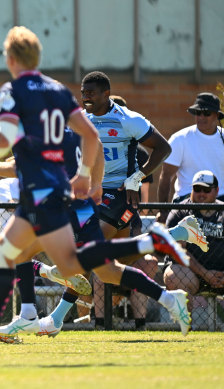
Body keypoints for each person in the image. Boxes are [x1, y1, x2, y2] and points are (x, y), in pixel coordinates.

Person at [0, 26, 191, 361]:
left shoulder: (12, 91)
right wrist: (91, 178)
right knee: (99, 269)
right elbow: (92, 138)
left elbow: (7, 133)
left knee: (13, 256)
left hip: (42, 195)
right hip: (57, 194)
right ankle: (167, 290)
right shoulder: (58, 91)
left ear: (11, 59)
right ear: (38, 57)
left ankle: (2, 329)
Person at [80, 71, 173, 329]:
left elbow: (163, 148)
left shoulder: (128, 120)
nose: (85, 97)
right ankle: (168, 292)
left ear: (106, 93)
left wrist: (137, 178)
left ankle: (56, 316)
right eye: (83, 92)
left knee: (89, 249)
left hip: (121, 193)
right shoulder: (82, 122)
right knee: (96, 260)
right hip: (93, 194)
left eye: (91, 92)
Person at [157, 93, 224, 222]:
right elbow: (165, 177)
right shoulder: (180, 139)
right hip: (186, 202)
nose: (201, 117)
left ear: (216, 115)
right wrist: (163, 211)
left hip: (220, 203)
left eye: (206, 113)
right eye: (198, 113)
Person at [164, 170, 224, 306]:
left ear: (216, 191)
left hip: (221, 274)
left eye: (206, 189)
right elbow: (178, 251)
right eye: (197, 189)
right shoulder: (181, 212)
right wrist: (206, 274)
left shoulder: (223, 210)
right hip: (191, 273)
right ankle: (186, 327)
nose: (201, 193)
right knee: (175, 276)